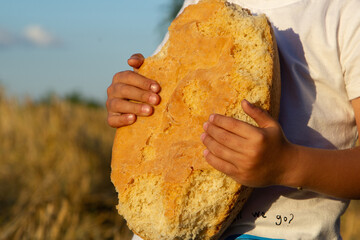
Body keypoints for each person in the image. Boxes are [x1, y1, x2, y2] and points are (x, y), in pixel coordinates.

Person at [106, 0, 360, 239]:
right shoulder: (200, 6)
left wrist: (287, 165)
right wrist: (131, 99)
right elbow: (165, 93)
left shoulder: (345, 12)